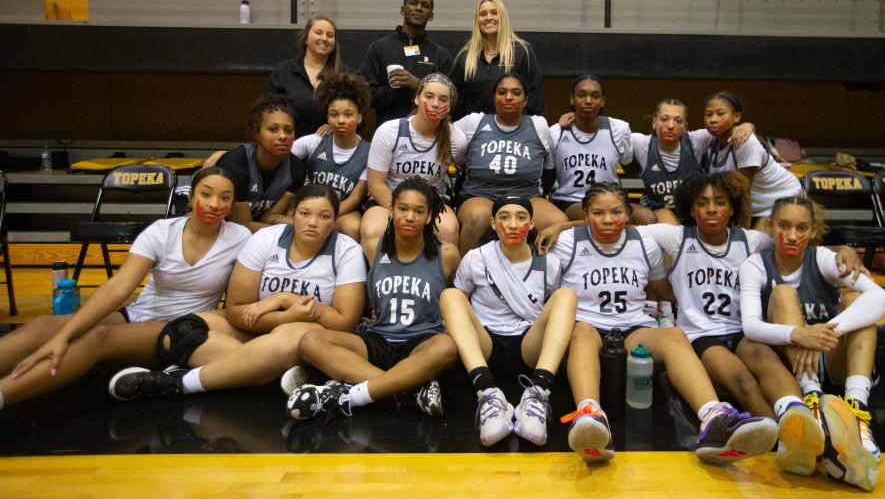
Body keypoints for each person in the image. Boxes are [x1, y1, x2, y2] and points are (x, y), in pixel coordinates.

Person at [643, 172, 865, 480]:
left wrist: (845, 249)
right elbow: (617, 226)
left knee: (770, 366)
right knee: (744, 382)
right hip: (703, 337)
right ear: (691, 209)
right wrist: (564, 225)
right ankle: (796, 443)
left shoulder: (752, 240)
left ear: (732, 208)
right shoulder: (677, 237)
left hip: (746, 330)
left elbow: (799, 241)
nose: (711, 209)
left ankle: (800, 418)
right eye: (702, 203)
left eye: (719, 202)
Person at [549, 182, 778, 465]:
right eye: (598, 213)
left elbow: (661, 290)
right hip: (587, 324)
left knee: (672, 336)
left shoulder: (644, 243)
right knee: (581, 332)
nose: (608, 220)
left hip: (633, 325)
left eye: (616, 211)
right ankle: (589, 415)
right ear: (585, 216)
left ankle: (713, 416)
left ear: (628, 213)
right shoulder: (569, 241)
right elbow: (552, 295)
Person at [0, 168, 250, 408]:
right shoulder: (162, 231)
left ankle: (3, 395)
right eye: (206, 194)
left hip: (176, 330)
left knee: (97, 339)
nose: (215, 204)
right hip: (136, 316)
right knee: (42, 326)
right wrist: (62, 336)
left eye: (225, 198)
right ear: (191, 197)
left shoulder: (240, 238)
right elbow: (118, 287)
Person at [106, 184, 367, 401]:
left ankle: (178, 381)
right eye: (305, 213)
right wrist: (281, 317)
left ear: (334, 221)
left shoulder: (346, 250)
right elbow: (237, 310)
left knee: (292, 336)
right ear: (293, 214)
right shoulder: (267, 239)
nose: (312, 222)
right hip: (255, 329)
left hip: (304, 334)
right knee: (180, 331)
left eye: (324, 216)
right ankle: (266, 371)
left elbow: (344, 323)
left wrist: (284, 301)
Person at [739, 196, 885, 490]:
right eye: (784, 226)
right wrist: (799, 335)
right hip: (792, 364)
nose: (793, 236)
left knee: (857, 302)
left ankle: (856, 412)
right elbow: (750, 326)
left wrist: (823, 333)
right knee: (782, 294)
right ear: (770, 227)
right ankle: (812, 403)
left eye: (801, 228)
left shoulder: (823, 258)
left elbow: (882, 298)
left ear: (813, 231)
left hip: (828, 358)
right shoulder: (755, 265)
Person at [286, 177, 460, 422]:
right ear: (391, 210)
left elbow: (457, 306)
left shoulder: (448, 254)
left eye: (418, 211)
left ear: (430, 216)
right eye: (403, 208)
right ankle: (407, 389)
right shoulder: (371, 247)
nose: (409, 216)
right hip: (377, 338)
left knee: (447, 347)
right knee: (311, 341)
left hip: (422, 342)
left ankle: (351, 393)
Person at [440, 195, 577, 446]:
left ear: (532, 223)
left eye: (521, 217)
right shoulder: (476, 258)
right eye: (504, 217)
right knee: (450, 295)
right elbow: (461, 303)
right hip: (486, 345)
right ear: (493, 224)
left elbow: (552, 311)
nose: (513, 224)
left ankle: (537, 394)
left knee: (566, 295)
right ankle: (488, 394)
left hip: (528, 346)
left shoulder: (549, 262)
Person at [454, 74, 567, 254]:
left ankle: (544, 275)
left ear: (525, 100)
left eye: (516, 93)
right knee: (477, 218)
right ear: (494, 98)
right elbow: (445, 136)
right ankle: (464, 278)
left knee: (559, 221)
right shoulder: (474, 122)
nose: (508, 97)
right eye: (502, 92)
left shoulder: (539, 125)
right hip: (481, 195)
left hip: (527, 196)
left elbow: (548, 169)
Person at [361, 72, 465, 247]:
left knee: (449, 230)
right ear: (417, 98)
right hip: (389, 197)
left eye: (443, 99)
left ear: (449, 106)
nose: (435, 104)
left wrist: (421, 213)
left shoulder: (456, 139)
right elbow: (375, 184)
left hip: (433, 201)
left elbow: (460, 167)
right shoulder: (389, 131)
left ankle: (438, 274)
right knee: (373, 230)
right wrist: (401, 211)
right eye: (429, 96)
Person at [549, 75, 653, 225]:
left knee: (648, 218)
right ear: (572, 99)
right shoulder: (556, 132)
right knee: (601, 218)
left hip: (610, 199)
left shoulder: (619, 129)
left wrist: (623, 199)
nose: (588, 101)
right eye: (582, 95)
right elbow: (548, 175)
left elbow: (628, 165)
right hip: (571, 200)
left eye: (595, 96)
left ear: (602, 100)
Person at [292, 73, 372, 242]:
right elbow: (279, 157)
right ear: (327, 118)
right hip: (308, 205)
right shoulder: (314, 142)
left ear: (359, 117)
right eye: (334, 114)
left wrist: (326, 215)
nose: (341, 120)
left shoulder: (370, 153)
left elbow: (356, 198)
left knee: (353, 227)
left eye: (348, 115)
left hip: (343, 209)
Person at [701, 91, 802, 225]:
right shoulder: (708, 142)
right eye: (708, 114)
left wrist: (742, 236)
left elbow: (743, 195)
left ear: (737, 117)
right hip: (757, 209)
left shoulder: (746, 143)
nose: (713, 119)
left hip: (784, 200)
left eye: (720, 114)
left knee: (756, 244)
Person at [215, 95, 308, 231]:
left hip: (257, 229)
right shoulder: (235, 164)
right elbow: (243, 227)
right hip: (222, 228)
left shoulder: (297, 168)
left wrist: (293, 224)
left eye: (288, 130)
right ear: (256, 133)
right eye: (273, 129)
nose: (283, 136)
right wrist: (288, 234)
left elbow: (269, 217)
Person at [361, 0, 453, 125]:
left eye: (425, 6)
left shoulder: (441, 55)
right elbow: (366, 95)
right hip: (389, 133)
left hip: (430, 133)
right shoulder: (379, 48)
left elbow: (450, 98)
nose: (419, 8)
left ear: (431, 15)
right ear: (403, 10)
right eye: (413, 3)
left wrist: (418, 85)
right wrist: (403, 92)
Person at [450, 0, 544, 120]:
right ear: (477, 20)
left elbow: (535, 97)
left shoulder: (522, 51)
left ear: (503, 18)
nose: (489, 17)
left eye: (494, 13)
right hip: (475, 133)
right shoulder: (465, 56)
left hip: (514, 129)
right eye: (483, 14)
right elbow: (456, 100)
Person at [263, 14, 348, 138]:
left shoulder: (345, 76)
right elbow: (267, 111)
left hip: (330, 149)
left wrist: (337, 126)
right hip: (289, 146)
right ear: (306, 38)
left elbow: (360, 118)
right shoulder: (282, 71)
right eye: (318, 32)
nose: (324, 38)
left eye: (330, 35)